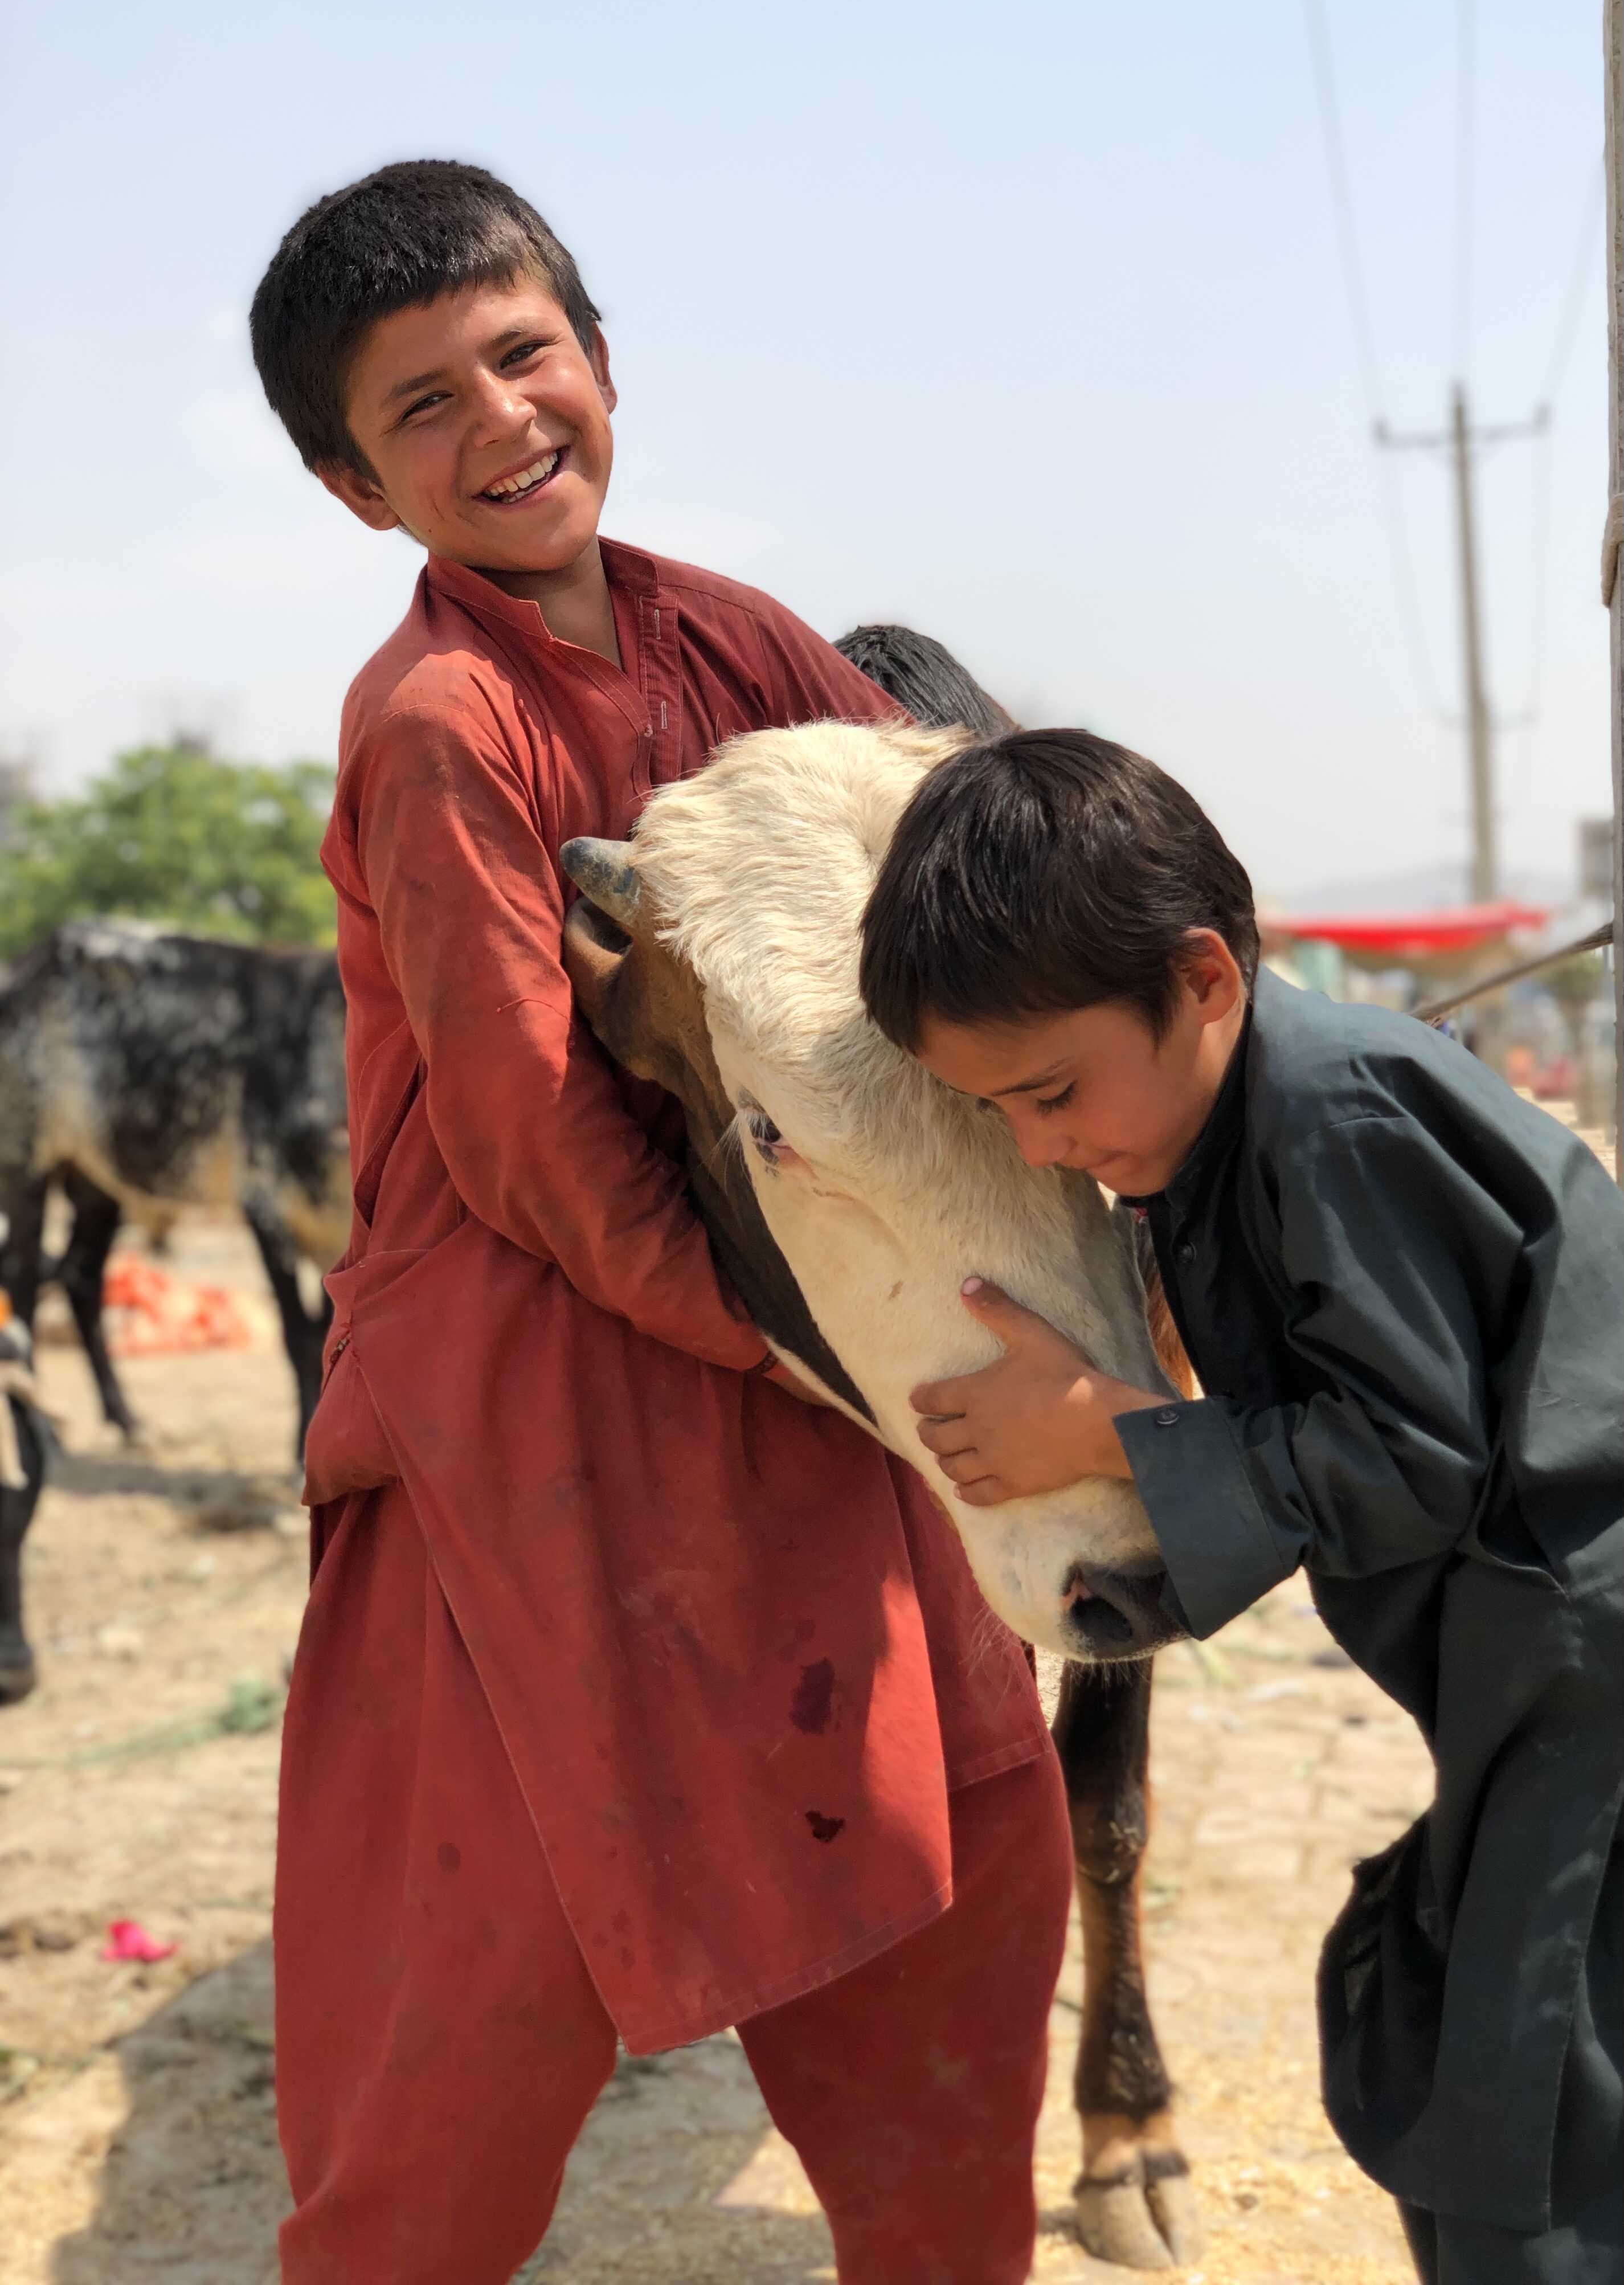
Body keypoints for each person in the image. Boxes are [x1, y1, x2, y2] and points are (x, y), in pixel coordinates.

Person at [248, 160, 1069, 2284]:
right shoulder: (440, 725)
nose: (501, 419)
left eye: (525, 356)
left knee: (960, 1882)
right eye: (421, 406)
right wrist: (806, 1341)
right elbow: (528, 1142)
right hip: (543, 1395)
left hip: (811, 1334)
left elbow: (923, 950)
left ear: (601, 361)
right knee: (477, 2004)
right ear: (356, 491)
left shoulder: (756, 639)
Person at [857, 723, 1624, 2285]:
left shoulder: (1333, 1118)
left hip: (1582, 1657)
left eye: (1052, 1092)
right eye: (997, 1116)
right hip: (1526, 1665)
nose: (1042, 1147)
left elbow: (1409, 1462)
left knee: (1518, 2123)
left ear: (1202, 977)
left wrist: (1106, 1432)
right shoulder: (1222, 1125)